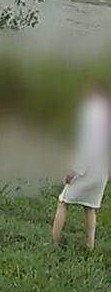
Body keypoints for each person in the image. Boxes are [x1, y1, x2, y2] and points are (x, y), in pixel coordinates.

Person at [52, 81, 110, 251]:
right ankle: (90, 246)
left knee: (63, 201)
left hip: (87, 169)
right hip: (102, 170)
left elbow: (87, 146)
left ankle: (54, 243)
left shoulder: (90, 114)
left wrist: (74, 170)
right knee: (90, 207)